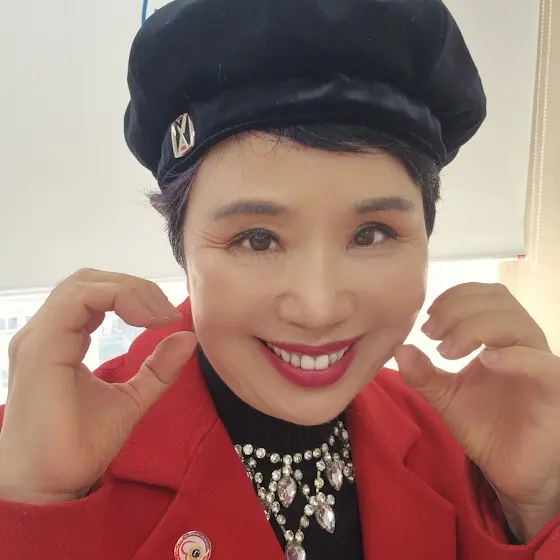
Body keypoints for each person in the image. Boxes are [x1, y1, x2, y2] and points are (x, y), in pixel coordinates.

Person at [0, 0, 559, 559]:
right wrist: (34, 508)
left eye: (371, 234)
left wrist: (536, 505)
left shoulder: (463, 442)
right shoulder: (35, 452)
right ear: (179, 242)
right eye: (257, 239)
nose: (319, 308)